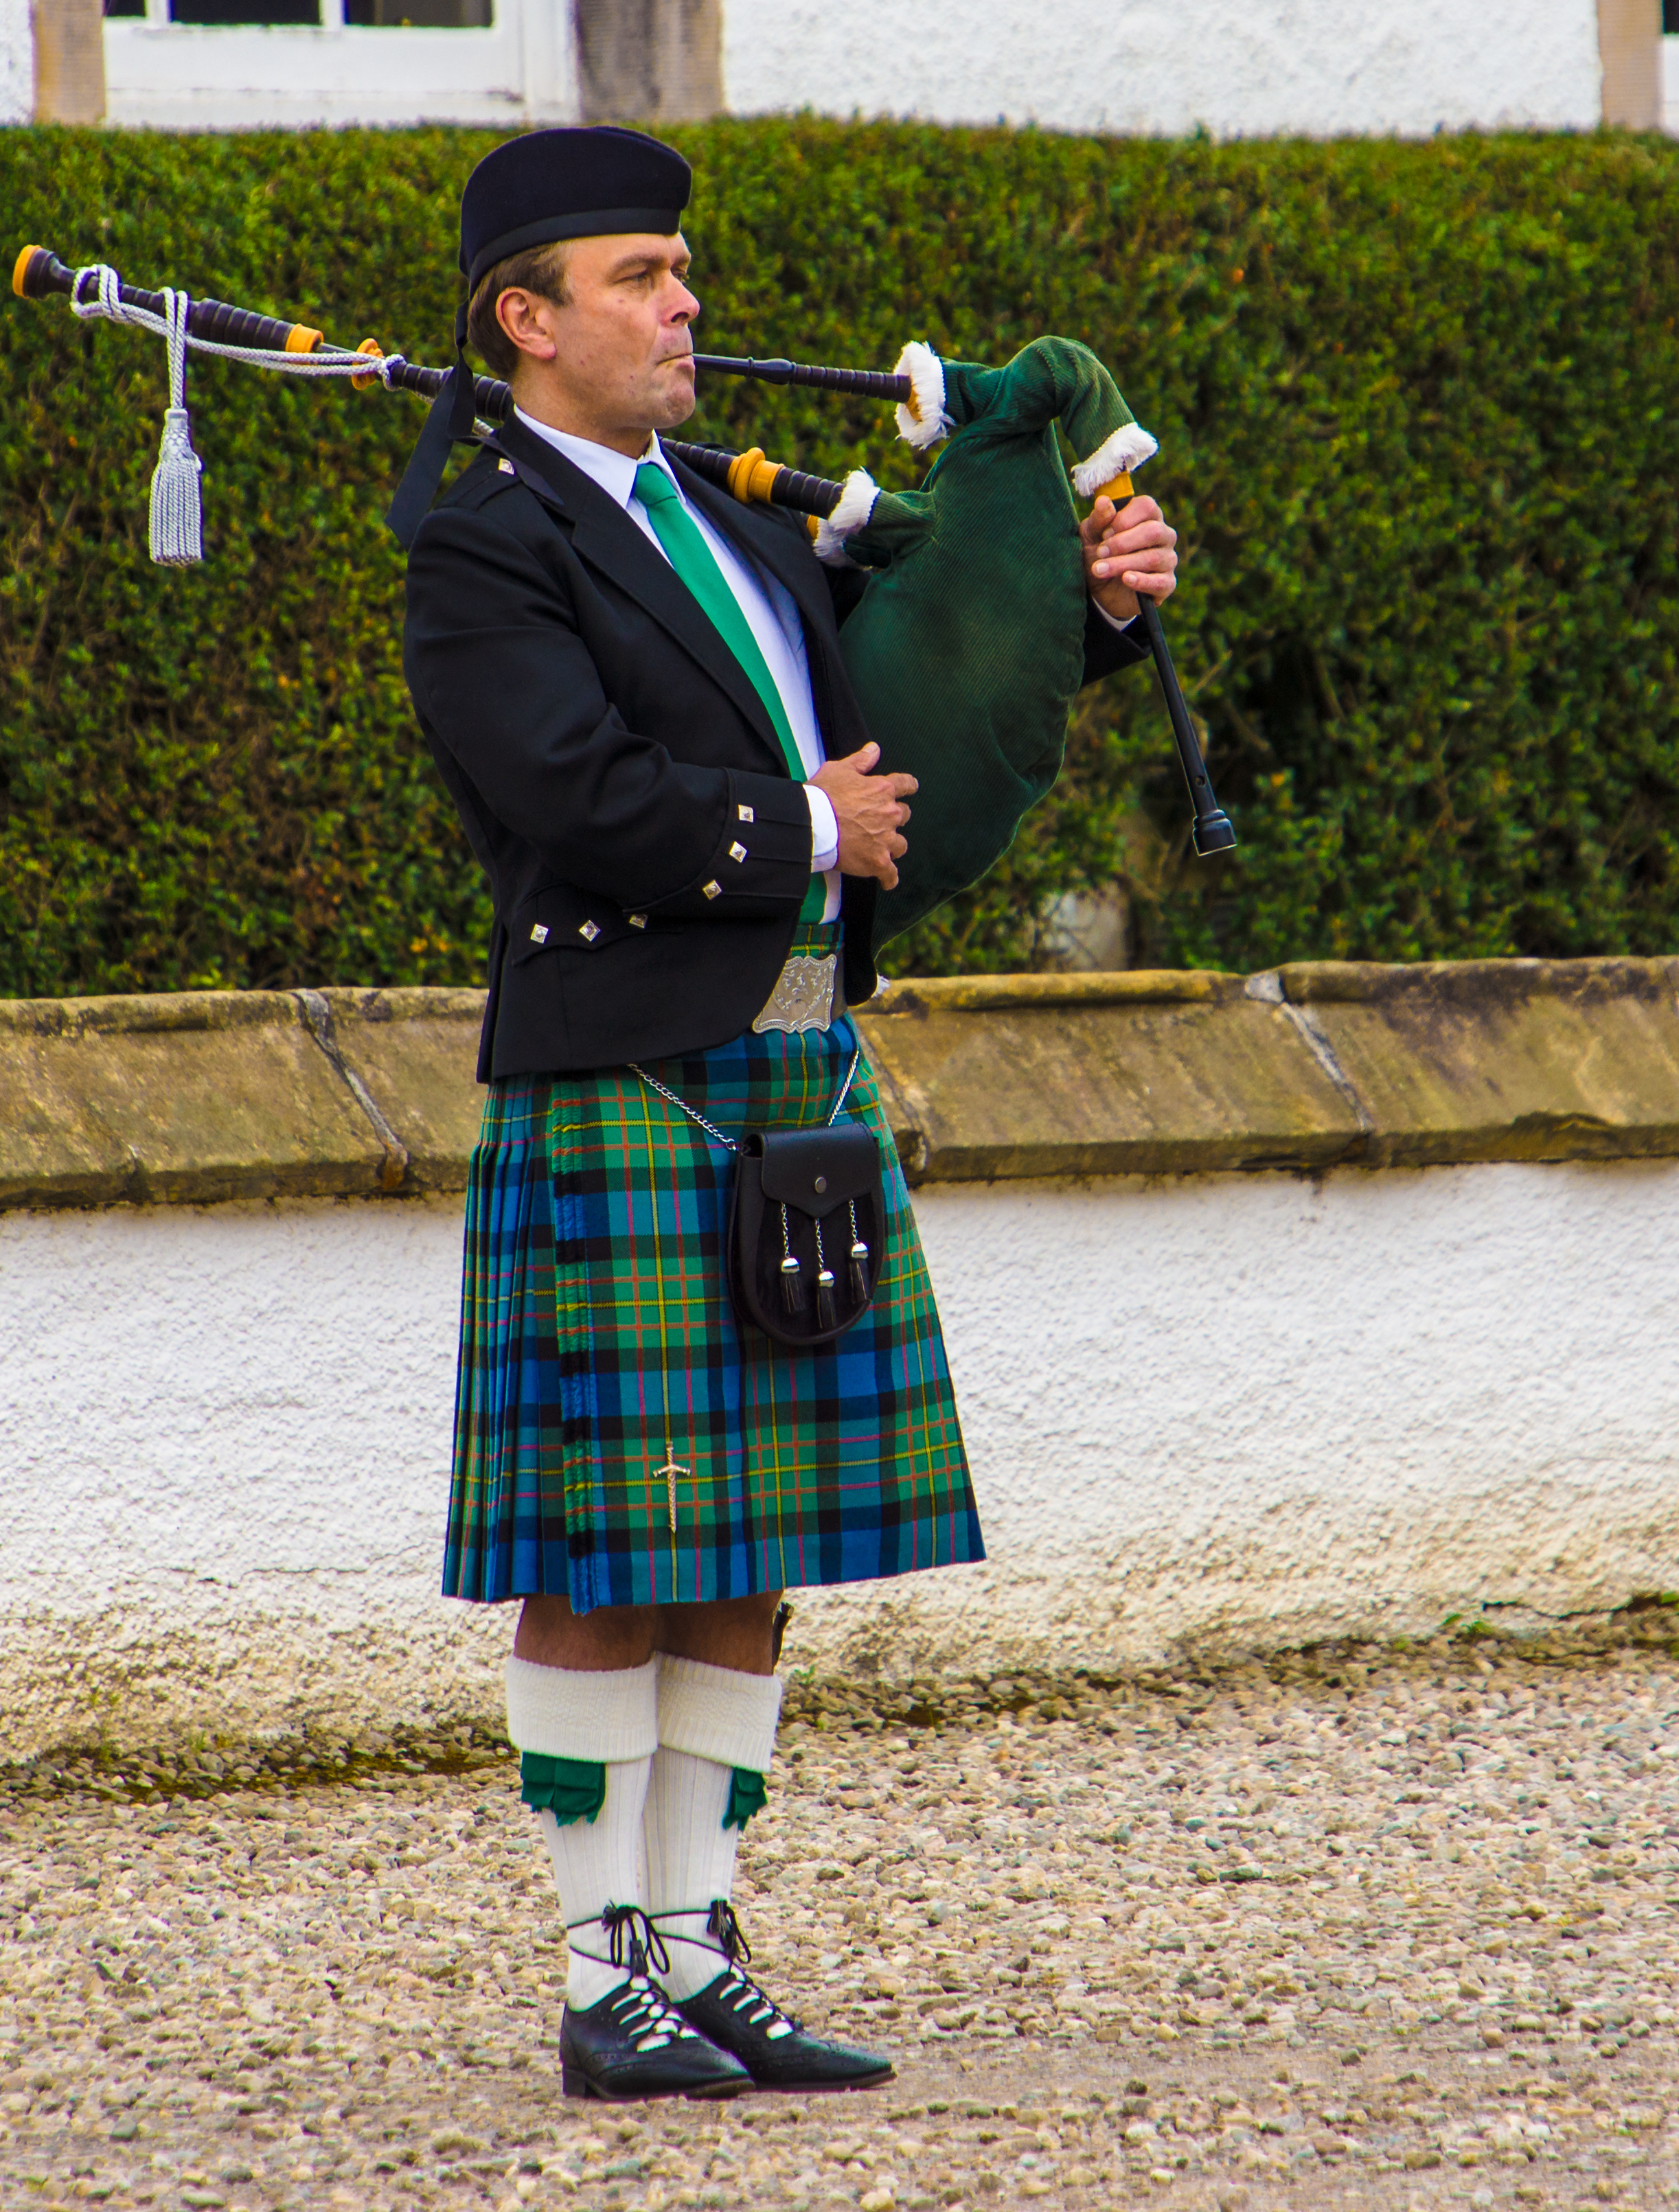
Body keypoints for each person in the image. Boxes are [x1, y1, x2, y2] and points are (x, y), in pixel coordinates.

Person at [397, 127, 1180, 2101]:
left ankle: (695, 1942)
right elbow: (561, 787)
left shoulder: (733, 525)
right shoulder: (489, 542)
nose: (687, 303)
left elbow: (896, 683)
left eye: (685, 270)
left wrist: (1071, 605)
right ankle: (598, 1977)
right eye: (643, 275)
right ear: (526, 319)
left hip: (794, 1073)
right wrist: (800, 824)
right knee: (606, 1560)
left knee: (747, 1551)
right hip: (627, 1075)